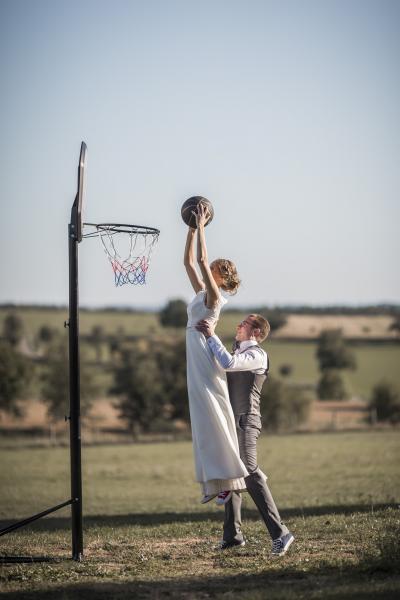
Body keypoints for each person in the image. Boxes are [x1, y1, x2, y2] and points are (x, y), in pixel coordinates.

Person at [196, 314, 294, 556]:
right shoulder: (237, 351)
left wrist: (210, 335)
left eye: (245, 323)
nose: (239, 325)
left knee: (249, 472)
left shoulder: (257, 355)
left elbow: (228, 363)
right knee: (231, 471)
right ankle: (232, 537)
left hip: (246, 421)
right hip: (232, 420)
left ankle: (281, 533)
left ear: (257, 332)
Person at [184, 202, 248, 504]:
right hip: (193, 352)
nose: (210, 269)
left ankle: (227, 479)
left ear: (221, 277)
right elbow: (187, 262)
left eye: (214, 269)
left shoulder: (214, 296)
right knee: (201, 415)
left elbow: (200, 258)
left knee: (212, 413)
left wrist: (201, 226)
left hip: (203, 354)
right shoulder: (201, 293)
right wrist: (189, 229)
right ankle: (214, 483)